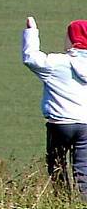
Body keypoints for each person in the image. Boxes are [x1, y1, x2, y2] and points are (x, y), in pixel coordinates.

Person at [22, 16, 87, 198]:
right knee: (84, 171)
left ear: (72, 40)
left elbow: (31, 58)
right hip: (86, 125)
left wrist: (31, 32)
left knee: (56, 165)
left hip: (59, 123)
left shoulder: (57, 63)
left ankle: (62, 203)